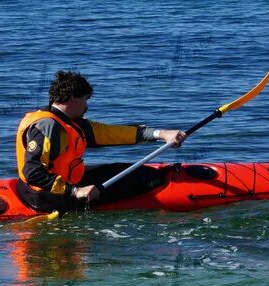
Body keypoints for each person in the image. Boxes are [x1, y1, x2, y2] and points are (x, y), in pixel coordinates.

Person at [15, 70, 187, 212]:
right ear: (73, 97)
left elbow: (113, 133)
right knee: (144, 178)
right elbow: (33, 172)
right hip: (50, 198)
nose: (86, 106)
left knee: (124, 169)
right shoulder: (48, 126)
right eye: (85, 100)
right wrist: (75, 191)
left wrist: (162, 134)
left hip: (49, 187)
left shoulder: (71, 123)